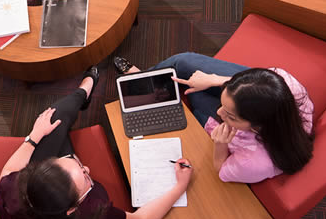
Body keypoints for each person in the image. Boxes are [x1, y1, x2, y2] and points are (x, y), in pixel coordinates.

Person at [0, 66, 193, 219]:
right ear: (73, 208)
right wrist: (180, 186)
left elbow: (8, 171)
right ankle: (86, 86)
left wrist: (34, 136)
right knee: (59, 133)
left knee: (52, 119)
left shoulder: (17, 189)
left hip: (48, 212)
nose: (87, 168)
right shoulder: (95, 218)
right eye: (84, 174)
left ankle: (84, 91)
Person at [114, 53, 314, 184]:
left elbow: (222, 169)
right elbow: (248, 85)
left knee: (191, 92)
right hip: (245, 99)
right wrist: (214, 80)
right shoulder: (284, 82)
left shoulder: (253, 162)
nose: (219, 113)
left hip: (233, 140)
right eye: (223, 106)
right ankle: (145, 77)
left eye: (230, 115)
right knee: (183, 65)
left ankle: (147, 83)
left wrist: (219, 145)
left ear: (257, 126)